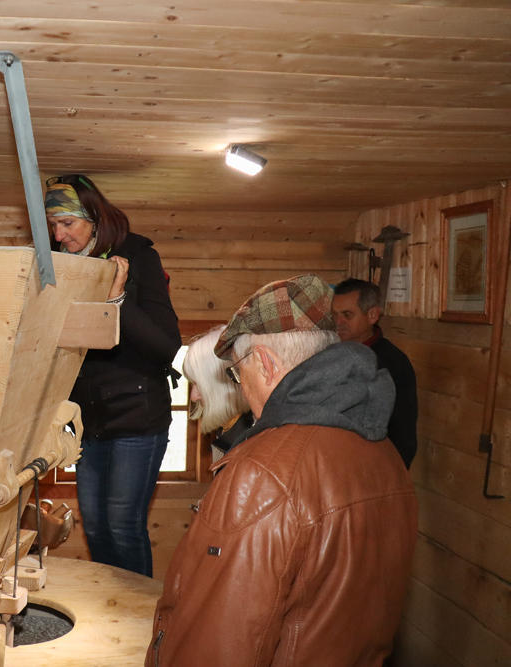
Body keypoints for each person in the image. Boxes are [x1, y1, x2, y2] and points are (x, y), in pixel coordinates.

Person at [147, 274, 417, 667]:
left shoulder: (261, 474)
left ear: (265, 363)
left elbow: (218, 644)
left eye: (237, 373)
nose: (241, 387)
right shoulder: (384, 454)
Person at [45, 174, 182, 578]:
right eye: (53, 225)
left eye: (67, 223)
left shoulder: (138, 256)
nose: (59, 235)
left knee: (123, 526)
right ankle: (107, 606)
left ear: (95, 218)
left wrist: (116, 300)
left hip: (137, 416)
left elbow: (166, 346)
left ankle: (137, 610)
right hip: (88, 421)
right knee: (96, 527)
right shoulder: (59, 266)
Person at [333, 278, 418, 467]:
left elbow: (403, 434)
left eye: (347, 315)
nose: (338, 322)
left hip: (372, 467)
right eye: (334, 314)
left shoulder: (393, 363)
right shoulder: (327, 355)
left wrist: (388, 474)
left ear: (372, 315)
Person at [181, 325, 253, 461]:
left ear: (223, 383)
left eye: (199, 385)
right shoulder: (228, 431)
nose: (194, 397)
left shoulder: (248, 442)